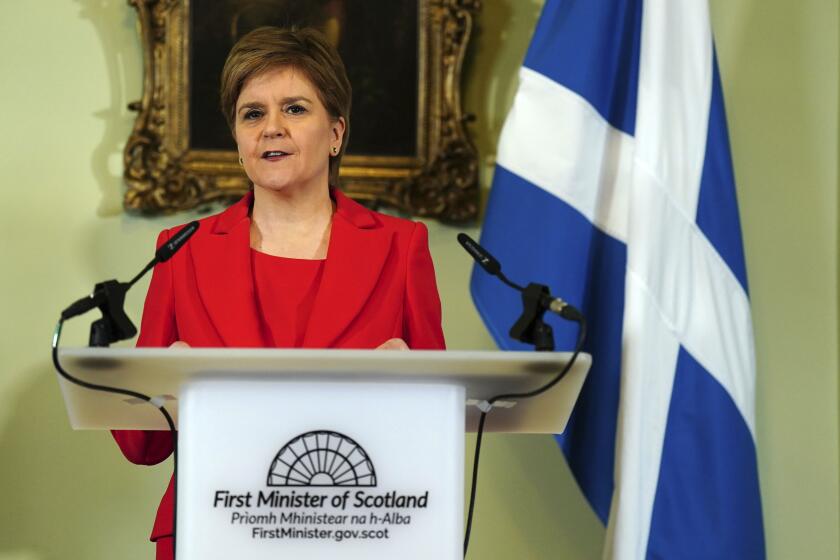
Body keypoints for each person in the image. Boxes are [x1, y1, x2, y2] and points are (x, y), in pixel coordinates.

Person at [111, 26, 445, 560]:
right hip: (210, 528)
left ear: (336, 133)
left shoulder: (402, 248)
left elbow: (439, 436)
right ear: (239, 141)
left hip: (358, 532)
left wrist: (415, 392)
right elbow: (140, 446)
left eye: (294, 109)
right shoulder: (181, 251)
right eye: (252, 114)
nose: (271, 129)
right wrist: (158, 385)